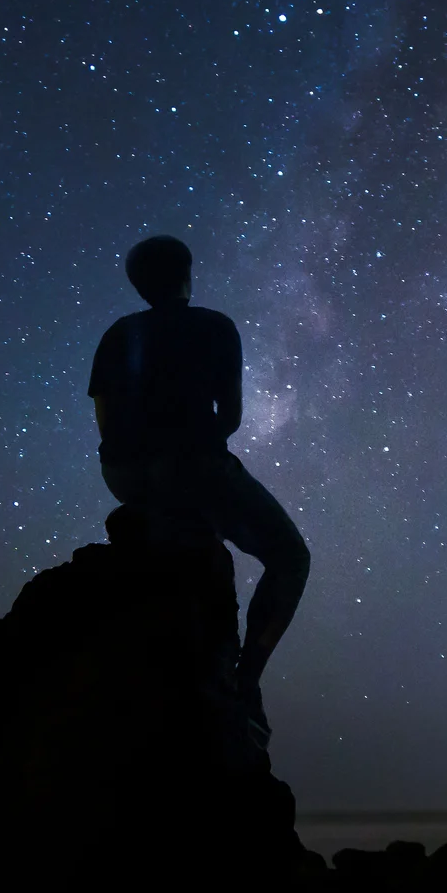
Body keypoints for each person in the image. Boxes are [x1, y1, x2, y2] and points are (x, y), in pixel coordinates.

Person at [89, 236, 311, 703]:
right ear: (187, 272)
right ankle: (245, 680)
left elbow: (106, 426)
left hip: (124, 477)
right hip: (192, 469)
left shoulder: (116, 334)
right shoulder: (215, 327)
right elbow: (229, 416)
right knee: (291, 558)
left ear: (138, 285)